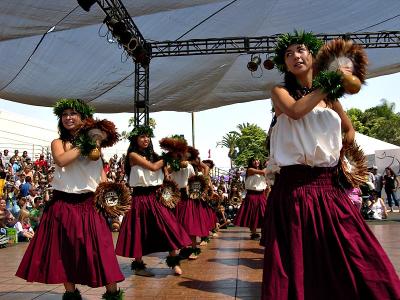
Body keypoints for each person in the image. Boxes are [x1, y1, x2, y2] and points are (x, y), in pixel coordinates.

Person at [261, 31, 400, 299]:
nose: (295, 56)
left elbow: (349, 130)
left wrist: (339, 155)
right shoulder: (280, 92)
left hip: (328, 187)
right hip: (293, 190)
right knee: (297, 263)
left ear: (313, 56)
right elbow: (296, 111)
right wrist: (331, 81)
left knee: (357, 253)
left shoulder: (330, 99)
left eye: (300, 50)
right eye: (288, 54)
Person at [16, 99, 124, 300]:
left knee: (102, 251)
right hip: (63, 204)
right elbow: (62, 160)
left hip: (91, 204)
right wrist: (88, 141)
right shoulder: (58, 143)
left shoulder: (96, 145)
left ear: (83, 119)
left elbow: (99, 173)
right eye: (64, 115)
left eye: (73, 114)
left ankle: (113, 294)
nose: (68, 117)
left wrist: (110, 199)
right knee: (65, 252)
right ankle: (71, 294)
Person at [115, 125, 191, 276]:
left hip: (156, 197)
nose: (146, 139)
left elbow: (164, 172)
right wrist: (168, 156)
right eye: (142, 136)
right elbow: (152, 167)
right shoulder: (133, 155)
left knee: (168, 227)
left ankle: (174, 262)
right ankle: (138, 266)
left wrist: (176, 157)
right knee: (139, 231)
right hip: (140, 197)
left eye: (147, 136)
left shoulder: (156, 155)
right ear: (135, 139)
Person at [234, 158, 268, 240]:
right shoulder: (250, 170)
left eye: (258, 160)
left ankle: (265, 233)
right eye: (254, 160)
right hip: (252, 195)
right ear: (251, 162)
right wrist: (270, 165)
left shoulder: (262, 170)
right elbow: (263, 172)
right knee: (253, 215)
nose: (257, 161)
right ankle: (253, 233)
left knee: (264, 214)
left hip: (261, 194)